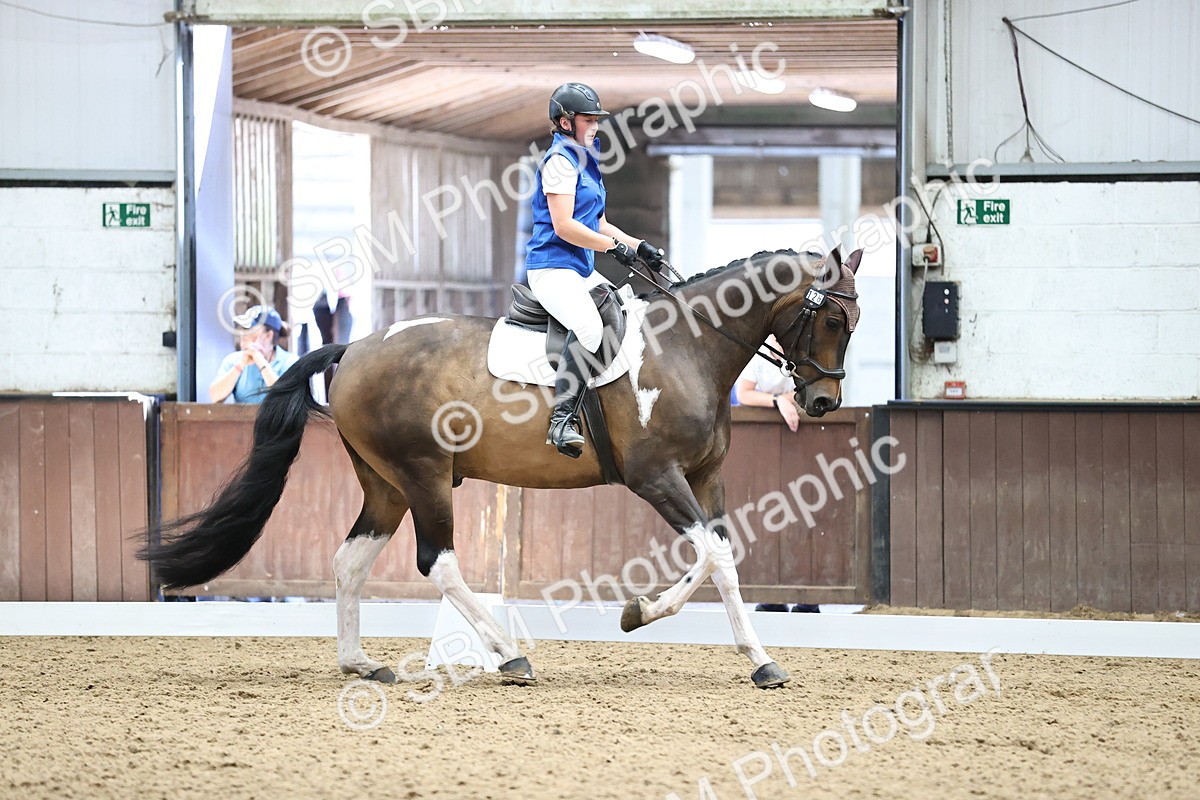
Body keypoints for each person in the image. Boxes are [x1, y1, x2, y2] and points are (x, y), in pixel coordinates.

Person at [525, 81, 668, 457]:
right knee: (590, 329)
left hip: (580, 268)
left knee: (629, 310)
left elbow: (599, 223)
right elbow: (564, 226)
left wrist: (637, 246)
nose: (595, 126)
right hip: (552, 268)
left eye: (596, 120)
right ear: (565, 122)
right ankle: (561, 421)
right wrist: (612, 248)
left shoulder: (587, 158)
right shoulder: (559, 162)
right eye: (588, 120)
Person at [210, 305, 299, 404]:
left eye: (249, 329)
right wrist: (240, 365)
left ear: (268, 335)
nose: (243, 335)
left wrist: (260, 361)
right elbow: (215, 397)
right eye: (243, 329)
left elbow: (286, 398)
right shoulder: (233, 360)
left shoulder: (290, 361)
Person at [734, 335, 802, 432]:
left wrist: (784, 400)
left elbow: (812, 390)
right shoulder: (757, 354)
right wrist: (777, 400)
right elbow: (743, 394)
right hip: (764, 418)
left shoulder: (803, 351)